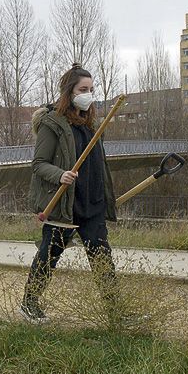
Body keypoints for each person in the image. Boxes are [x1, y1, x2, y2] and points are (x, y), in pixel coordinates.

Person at [20, 64, 118, 324]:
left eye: (91, 89)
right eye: (83, 89)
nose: (88, 94)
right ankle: (29, 302)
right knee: (48, 256)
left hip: (92, 203)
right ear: (69, 92)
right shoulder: (52, 124)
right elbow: (39, 164)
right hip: (63, 203)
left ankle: (115, 312)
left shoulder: (90, 124)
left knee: (102, 259)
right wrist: (60, 174)